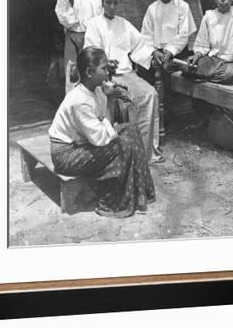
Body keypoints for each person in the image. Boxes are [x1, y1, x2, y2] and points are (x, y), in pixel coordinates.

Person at [48, 47, 155, 218]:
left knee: (131, 131)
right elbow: (102, 138)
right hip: (66, 155)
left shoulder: (96, 90)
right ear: (90, 71)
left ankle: (140, 193)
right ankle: (112, 202)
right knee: (123, 143)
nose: (108, 73)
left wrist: (110, 97)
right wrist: (111, 99)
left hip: (83, 144)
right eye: (104, 69)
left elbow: (104, 125)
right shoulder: (79, 101)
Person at [84, 0, 163, 163]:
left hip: (126, 74)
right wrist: (103, 63)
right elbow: (90, 53)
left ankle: (144, 152)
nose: (112, 7)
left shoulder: (124, 24)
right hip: (104, 76)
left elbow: (140, 44)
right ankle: (119, 152)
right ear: (102, 2)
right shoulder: (94, 24)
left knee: (149, 94)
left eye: (115, 3)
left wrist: (153, 52)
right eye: (108, 2)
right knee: (113, 97)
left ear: (120, 2)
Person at [54, 0, 102, 82]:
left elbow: (99, 16)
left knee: (92, 75)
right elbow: (65, 19)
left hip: (91, 39)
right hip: (73, 40)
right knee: (74, 76)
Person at [141, 0, 197, 69]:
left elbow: (183, 35)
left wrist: (169, 52)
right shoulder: (152, 9)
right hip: (158, 53)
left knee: (179, 69)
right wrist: (154, 52)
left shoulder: (182, 6)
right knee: (143, 65)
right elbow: (146, 35)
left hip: (177, 52)